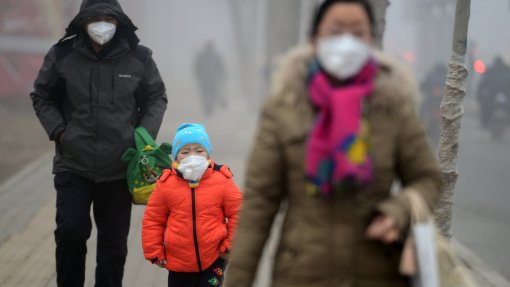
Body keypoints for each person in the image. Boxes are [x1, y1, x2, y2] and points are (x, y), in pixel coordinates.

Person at [224, 1, 442, 286]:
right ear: (315, 40)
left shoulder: (393, 107)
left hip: (376, 274)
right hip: (302, 273)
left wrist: (396, 212)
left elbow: (427, 179)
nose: (346, 42)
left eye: (357, 32)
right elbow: (259, 205)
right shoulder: (284, 108)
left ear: (371, 41)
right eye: (336, 31)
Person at [29, 0, 167, 286]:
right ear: (83, 21)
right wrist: (59, 131)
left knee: (113, 245)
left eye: (109, 18)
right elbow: (42, 96)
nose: (102, 24)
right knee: (70, 233)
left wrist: (142, 136)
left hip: (120, 168)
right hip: (73, 165)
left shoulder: (138, 58)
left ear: (119, 22)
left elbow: (156, 97)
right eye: (96, 18)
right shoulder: (63, 54)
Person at [142, 123, 243, 287]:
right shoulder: (166, 183)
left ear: (208, 153)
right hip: (178, 264)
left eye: (199, 150)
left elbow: (238, 213)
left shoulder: (222, 179)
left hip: (214, 260)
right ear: (176, 156)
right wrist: (154, 251)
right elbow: (153, 219)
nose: (192, 156)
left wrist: (230, 245)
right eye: (185, 151)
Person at [194, 42, 227, 116]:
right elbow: (197, 68)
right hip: (208, 79)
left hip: (209, 79)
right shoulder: (212, 56)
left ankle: (209, 107)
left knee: (209, 93)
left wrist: (222, 74)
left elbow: (220, 67)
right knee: (209, 93)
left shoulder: (205, 56)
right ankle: (208, 106)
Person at [477, 56, 510, 128]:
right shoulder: (506, 71)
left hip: (493, 96)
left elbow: (482, 85)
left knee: (486, 108)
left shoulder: (490, 71)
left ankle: (485, 124)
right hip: (498, 96)